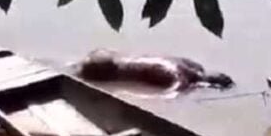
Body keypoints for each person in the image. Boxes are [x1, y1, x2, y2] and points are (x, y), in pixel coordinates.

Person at [76, 49, 234, 91]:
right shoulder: (179, 79)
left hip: (111, 58)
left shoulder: (192, 65)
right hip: (109, 71)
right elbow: (170, 94)